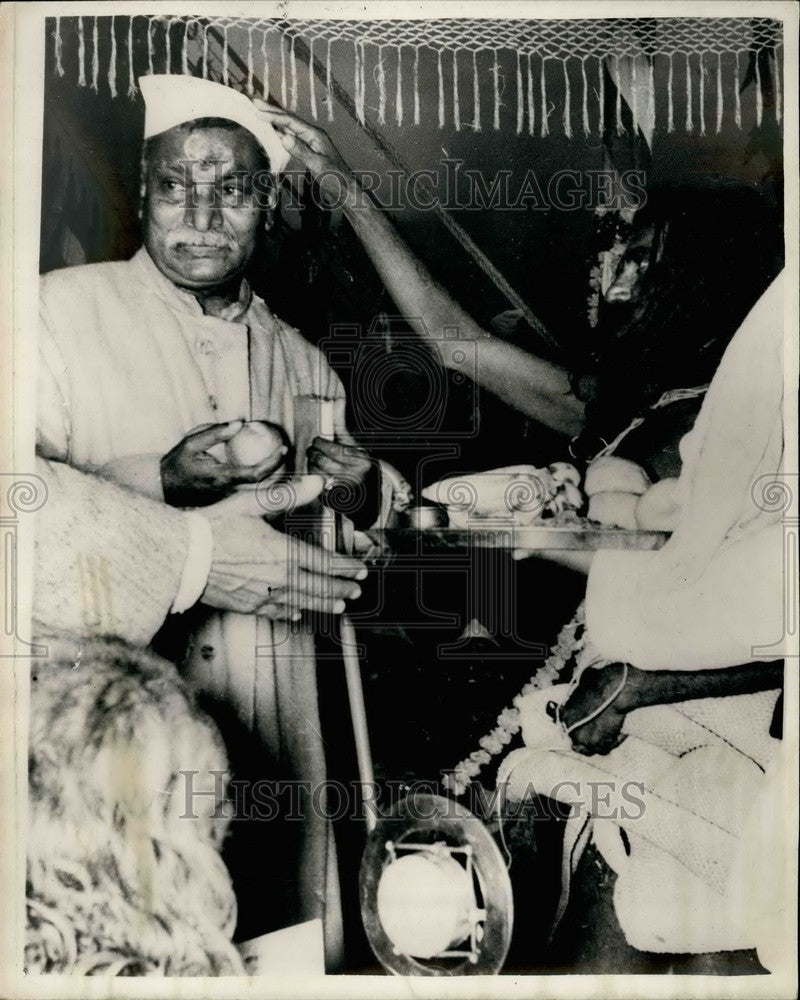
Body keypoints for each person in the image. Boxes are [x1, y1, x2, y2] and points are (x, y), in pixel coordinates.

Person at [37, 76, 408, 967]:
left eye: (231, 189)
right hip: (109, 738)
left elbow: (360, 537)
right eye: (177, 185)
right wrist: (159, 478)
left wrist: (363, 496)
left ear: (266, 204)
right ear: (142, 192)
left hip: (282, 726)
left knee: (279, 935)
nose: (201, 213)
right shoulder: (54, 313)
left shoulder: (305, 358)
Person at [493, 272, 787, 961]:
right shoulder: (621, 408)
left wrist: (643, 686)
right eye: (612, 254)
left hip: (697, 713)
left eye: (644, 256)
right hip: (616, 693)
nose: (612, 275)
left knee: (667, 930)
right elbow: (459, 349)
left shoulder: (737, 404)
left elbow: (756, 593)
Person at [259, 110, 781, 480]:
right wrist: (342, 185)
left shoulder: (737, 429)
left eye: (645, 269)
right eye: (623, 263)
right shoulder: (622, 405)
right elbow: (456, 341)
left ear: (707, 286)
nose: (617, 290)